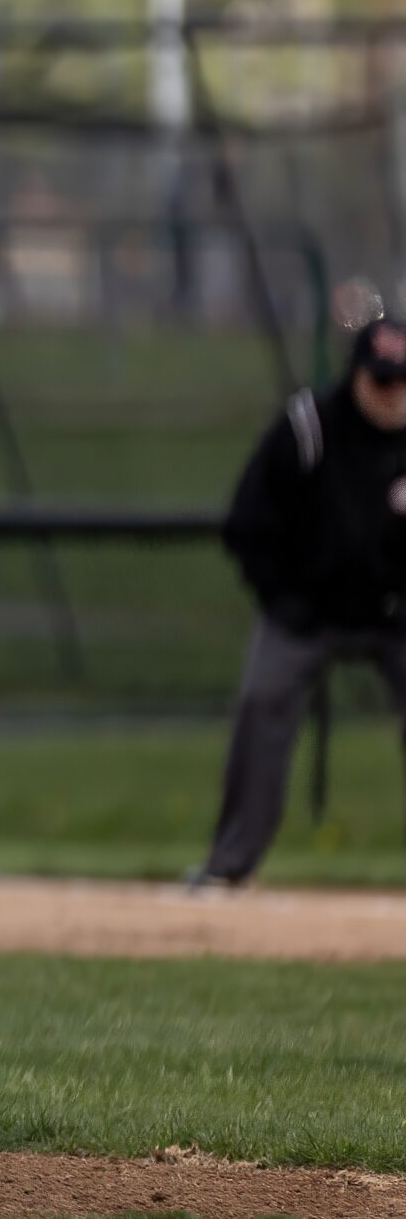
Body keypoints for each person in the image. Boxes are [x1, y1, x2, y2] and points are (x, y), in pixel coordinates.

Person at [189, 317, 406, 888]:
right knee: (263, 699)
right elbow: (246, 524)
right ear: (356, 375)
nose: (393, 394)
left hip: (394, 615)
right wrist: (283, 599)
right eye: (382, 381)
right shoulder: (310, 428)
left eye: (403, 382)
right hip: (307, 609)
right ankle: (229, 865)